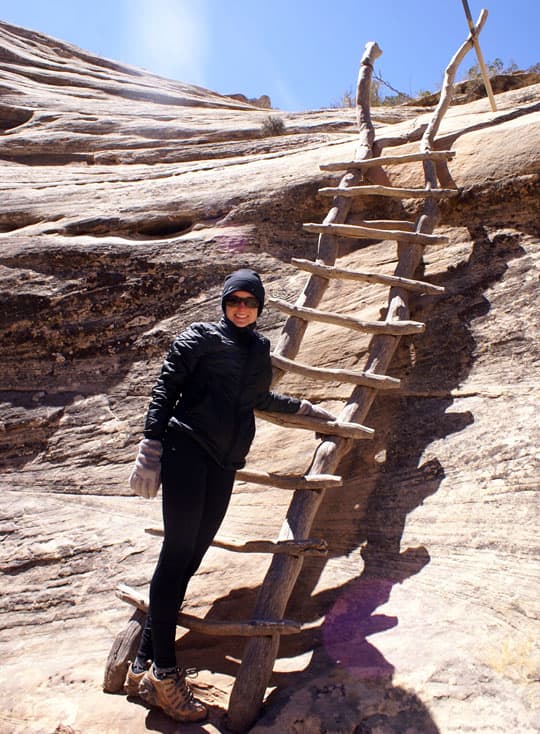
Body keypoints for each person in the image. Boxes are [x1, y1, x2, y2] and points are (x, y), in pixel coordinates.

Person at [125, 268, 335, 723]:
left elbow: (258, 398)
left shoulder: (259, 349)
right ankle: (164, 673)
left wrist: (303, 408)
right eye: (234, 299)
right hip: (186, 451)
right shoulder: (199, 338)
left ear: (259, 307)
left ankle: (144, 659)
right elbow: (165, 390)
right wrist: (150, 448)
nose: (241, 307)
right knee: (176, 553)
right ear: (224, 302)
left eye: (250, 301)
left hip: (224, 464)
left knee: (193, 556)